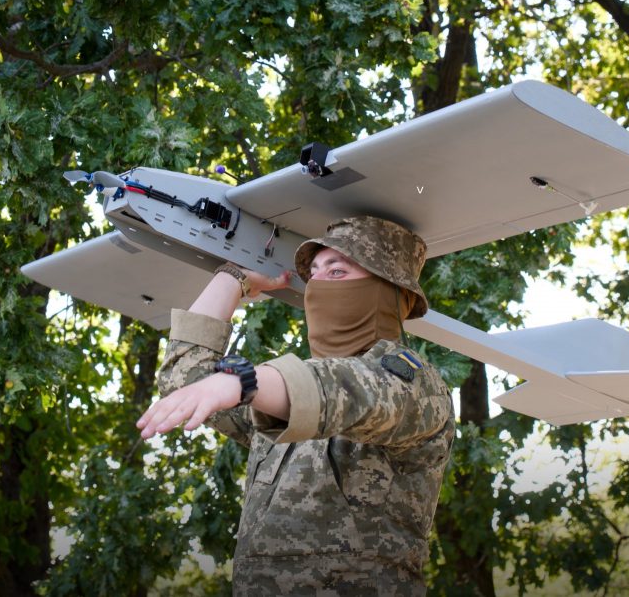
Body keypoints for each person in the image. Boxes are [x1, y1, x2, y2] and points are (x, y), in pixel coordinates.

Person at [136, 216, 455, 595]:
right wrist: (234, 275)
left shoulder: (415, 383)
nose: (317, 286)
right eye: (314, 275)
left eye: (336, 271)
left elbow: (353, 392)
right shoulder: (284, 393)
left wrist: (244, 381)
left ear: (388, 291)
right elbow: (185, 382)